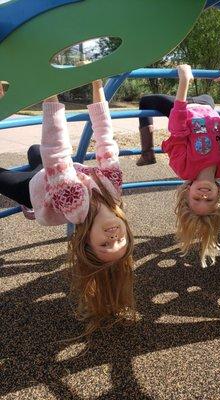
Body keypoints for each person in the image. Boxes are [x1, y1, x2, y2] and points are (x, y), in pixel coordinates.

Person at [0, 80, 135, 334]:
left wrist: (50, 91)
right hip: (57, 175)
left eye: (105, 245)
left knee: (21, 169)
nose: (114, 239)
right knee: (34, 151)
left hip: (34, 189)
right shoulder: (113, 191)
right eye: (120, 243)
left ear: (86, 239)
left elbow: (58, 153)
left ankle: (26, 205)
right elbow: (106, 143)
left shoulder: (76, 206)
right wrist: (98, 90)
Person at [161, 64, 220, 267]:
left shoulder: (184, 167)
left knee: (149, 100)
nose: (204, 195)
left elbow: (178, 129)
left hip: (185, 106)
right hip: (207, 108)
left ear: (188, 191)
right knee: (208, 97)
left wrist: (184, 82)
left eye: (197, 199)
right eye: (209, 200)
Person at [137, 91, 215, 166]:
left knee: (144, 101)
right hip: (203, 104)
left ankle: (147, 154)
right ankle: (147, 154)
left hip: (200, 105)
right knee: (207, 99)